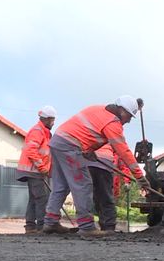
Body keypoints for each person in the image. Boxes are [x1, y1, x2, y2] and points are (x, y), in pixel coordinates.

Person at [42, 96, 150, 237]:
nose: (128, 121)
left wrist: (89, 151)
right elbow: (123, 151)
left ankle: (50, 222)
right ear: (123, 111)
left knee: (61, 185)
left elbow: (84, 131)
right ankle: (86, 226)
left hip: (58, 141)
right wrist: (140, 177)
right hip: (70, 146)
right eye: (129, 116)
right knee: (83, 184)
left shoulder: (97, 109)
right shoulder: (112, 122)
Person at [86, 99, 143, 232]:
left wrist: (128, 180)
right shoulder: (113, 130)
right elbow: (123, 157)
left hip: (89, 161)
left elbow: (122, 163)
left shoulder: (99, 124)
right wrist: (139, 177)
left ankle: (93, 224)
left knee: (92, 195)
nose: (128, 121)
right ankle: (109, 226)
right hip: (102, 163)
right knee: (105, 195)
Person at [16, 105, 57, 234]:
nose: (53, 123)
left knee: (34, 198)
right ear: (47, 119)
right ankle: (41, 226)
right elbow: (31, 150)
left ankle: (30, 226)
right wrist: (42, 167)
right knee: (41, 198)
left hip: (35, 170)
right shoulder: (37, 131)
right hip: (34, 171)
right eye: (52, 120)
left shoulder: (43, 132)